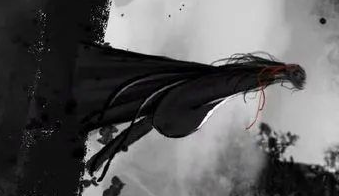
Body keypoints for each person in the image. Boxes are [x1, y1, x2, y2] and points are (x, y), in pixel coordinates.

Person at [71, 42, 307, 180]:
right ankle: (96, 157)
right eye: (294, 73)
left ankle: (96, 157)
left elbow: (220, 87)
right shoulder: (255, 77)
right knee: (141, 116)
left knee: (139, 112)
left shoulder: (257, 76)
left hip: (183, 100)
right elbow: (218, 88)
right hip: (182, 102)